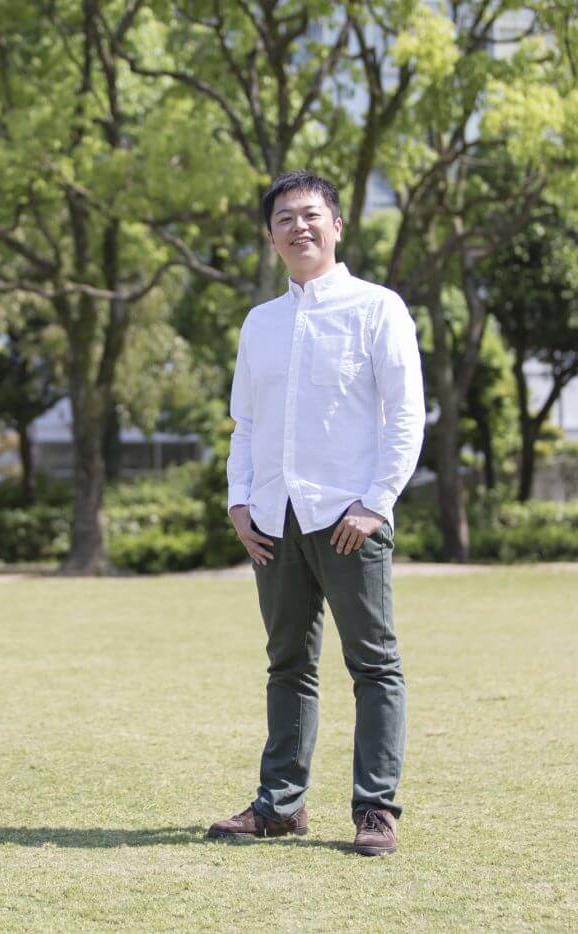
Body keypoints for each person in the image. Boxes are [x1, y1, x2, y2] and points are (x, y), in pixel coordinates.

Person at [206, 170, 425, 856]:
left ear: (336, 225)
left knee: (374, 665)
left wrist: (376, 503)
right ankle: (279, 806)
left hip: (347, 517)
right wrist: (240, 501)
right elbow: (245, 423)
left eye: (310, 215)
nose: (298, 227)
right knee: (287, 666)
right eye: (284, 219)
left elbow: (405, 415)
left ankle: (375, 812)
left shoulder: (376, 308)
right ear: (271, 237)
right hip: (274, 519)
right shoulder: (260, 323)